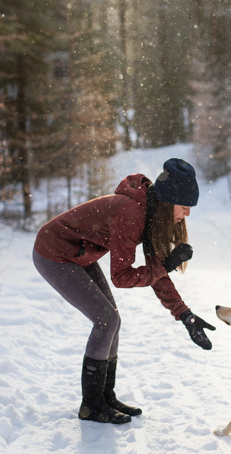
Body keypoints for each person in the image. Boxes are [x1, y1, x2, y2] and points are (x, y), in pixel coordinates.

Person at [32, 158, 216, 424]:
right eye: (185, 206)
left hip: (78, 254)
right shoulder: (131, 213)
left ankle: (105, 397)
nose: (187, 214)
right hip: (54, 253)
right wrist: (166, 264)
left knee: (112, 321)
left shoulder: (152, 212)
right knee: (106, 320)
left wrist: (185, 315)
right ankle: (91, 405)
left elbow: (157, 274)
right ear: (169, 201)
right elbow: (121, 276)